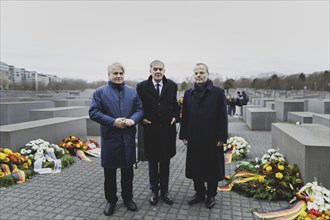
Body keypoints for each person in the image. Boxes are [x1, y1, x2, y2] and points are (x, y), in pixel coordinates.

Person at [89, 62, 144, 216]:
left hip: (127, 138)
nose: (118, 76)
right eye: (115, 73)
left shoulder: (132, 92)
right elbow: (93, 112)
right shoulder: (99, 92)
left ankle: (128, 198)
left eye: (121, 73)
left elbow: (140, 109)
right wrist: (113, 122)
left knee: (128, 172)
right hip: (110, 138)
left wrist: (132, 120)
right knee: (110, 173)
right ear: (109, 75)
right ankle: (111, 200)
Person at [179, 63, 228, 209]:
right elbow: (185, 116)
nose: (199, 75)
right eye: (196, 73)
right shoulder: (189, 93)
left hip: (212, 138)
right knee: (196, 167)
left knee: (212, 168)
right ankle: (199, 193)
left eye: (202, 72)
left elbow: (222, 116)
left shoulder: (218, 93)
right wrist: (184, 134)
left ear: (207, 74)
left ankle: (211, 195)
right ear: (193, 75)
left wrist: (221, 137)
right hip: (194, 137)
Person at [136, 60, 180, 206]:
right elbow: (138, 106)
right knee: (153, 163)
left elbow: (175, 105)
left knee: (166, 163)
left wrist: (176, 116)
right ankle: (154, 191)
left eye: (160, 69)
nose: (158, 71)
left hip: (167, 131)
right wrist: (141, 118)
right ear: (150, 71)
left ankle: (165, 191)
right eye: (155, 69)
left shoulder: (172, 85)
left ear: (164, 70)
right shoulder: (142, 87)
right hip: (151, 131)